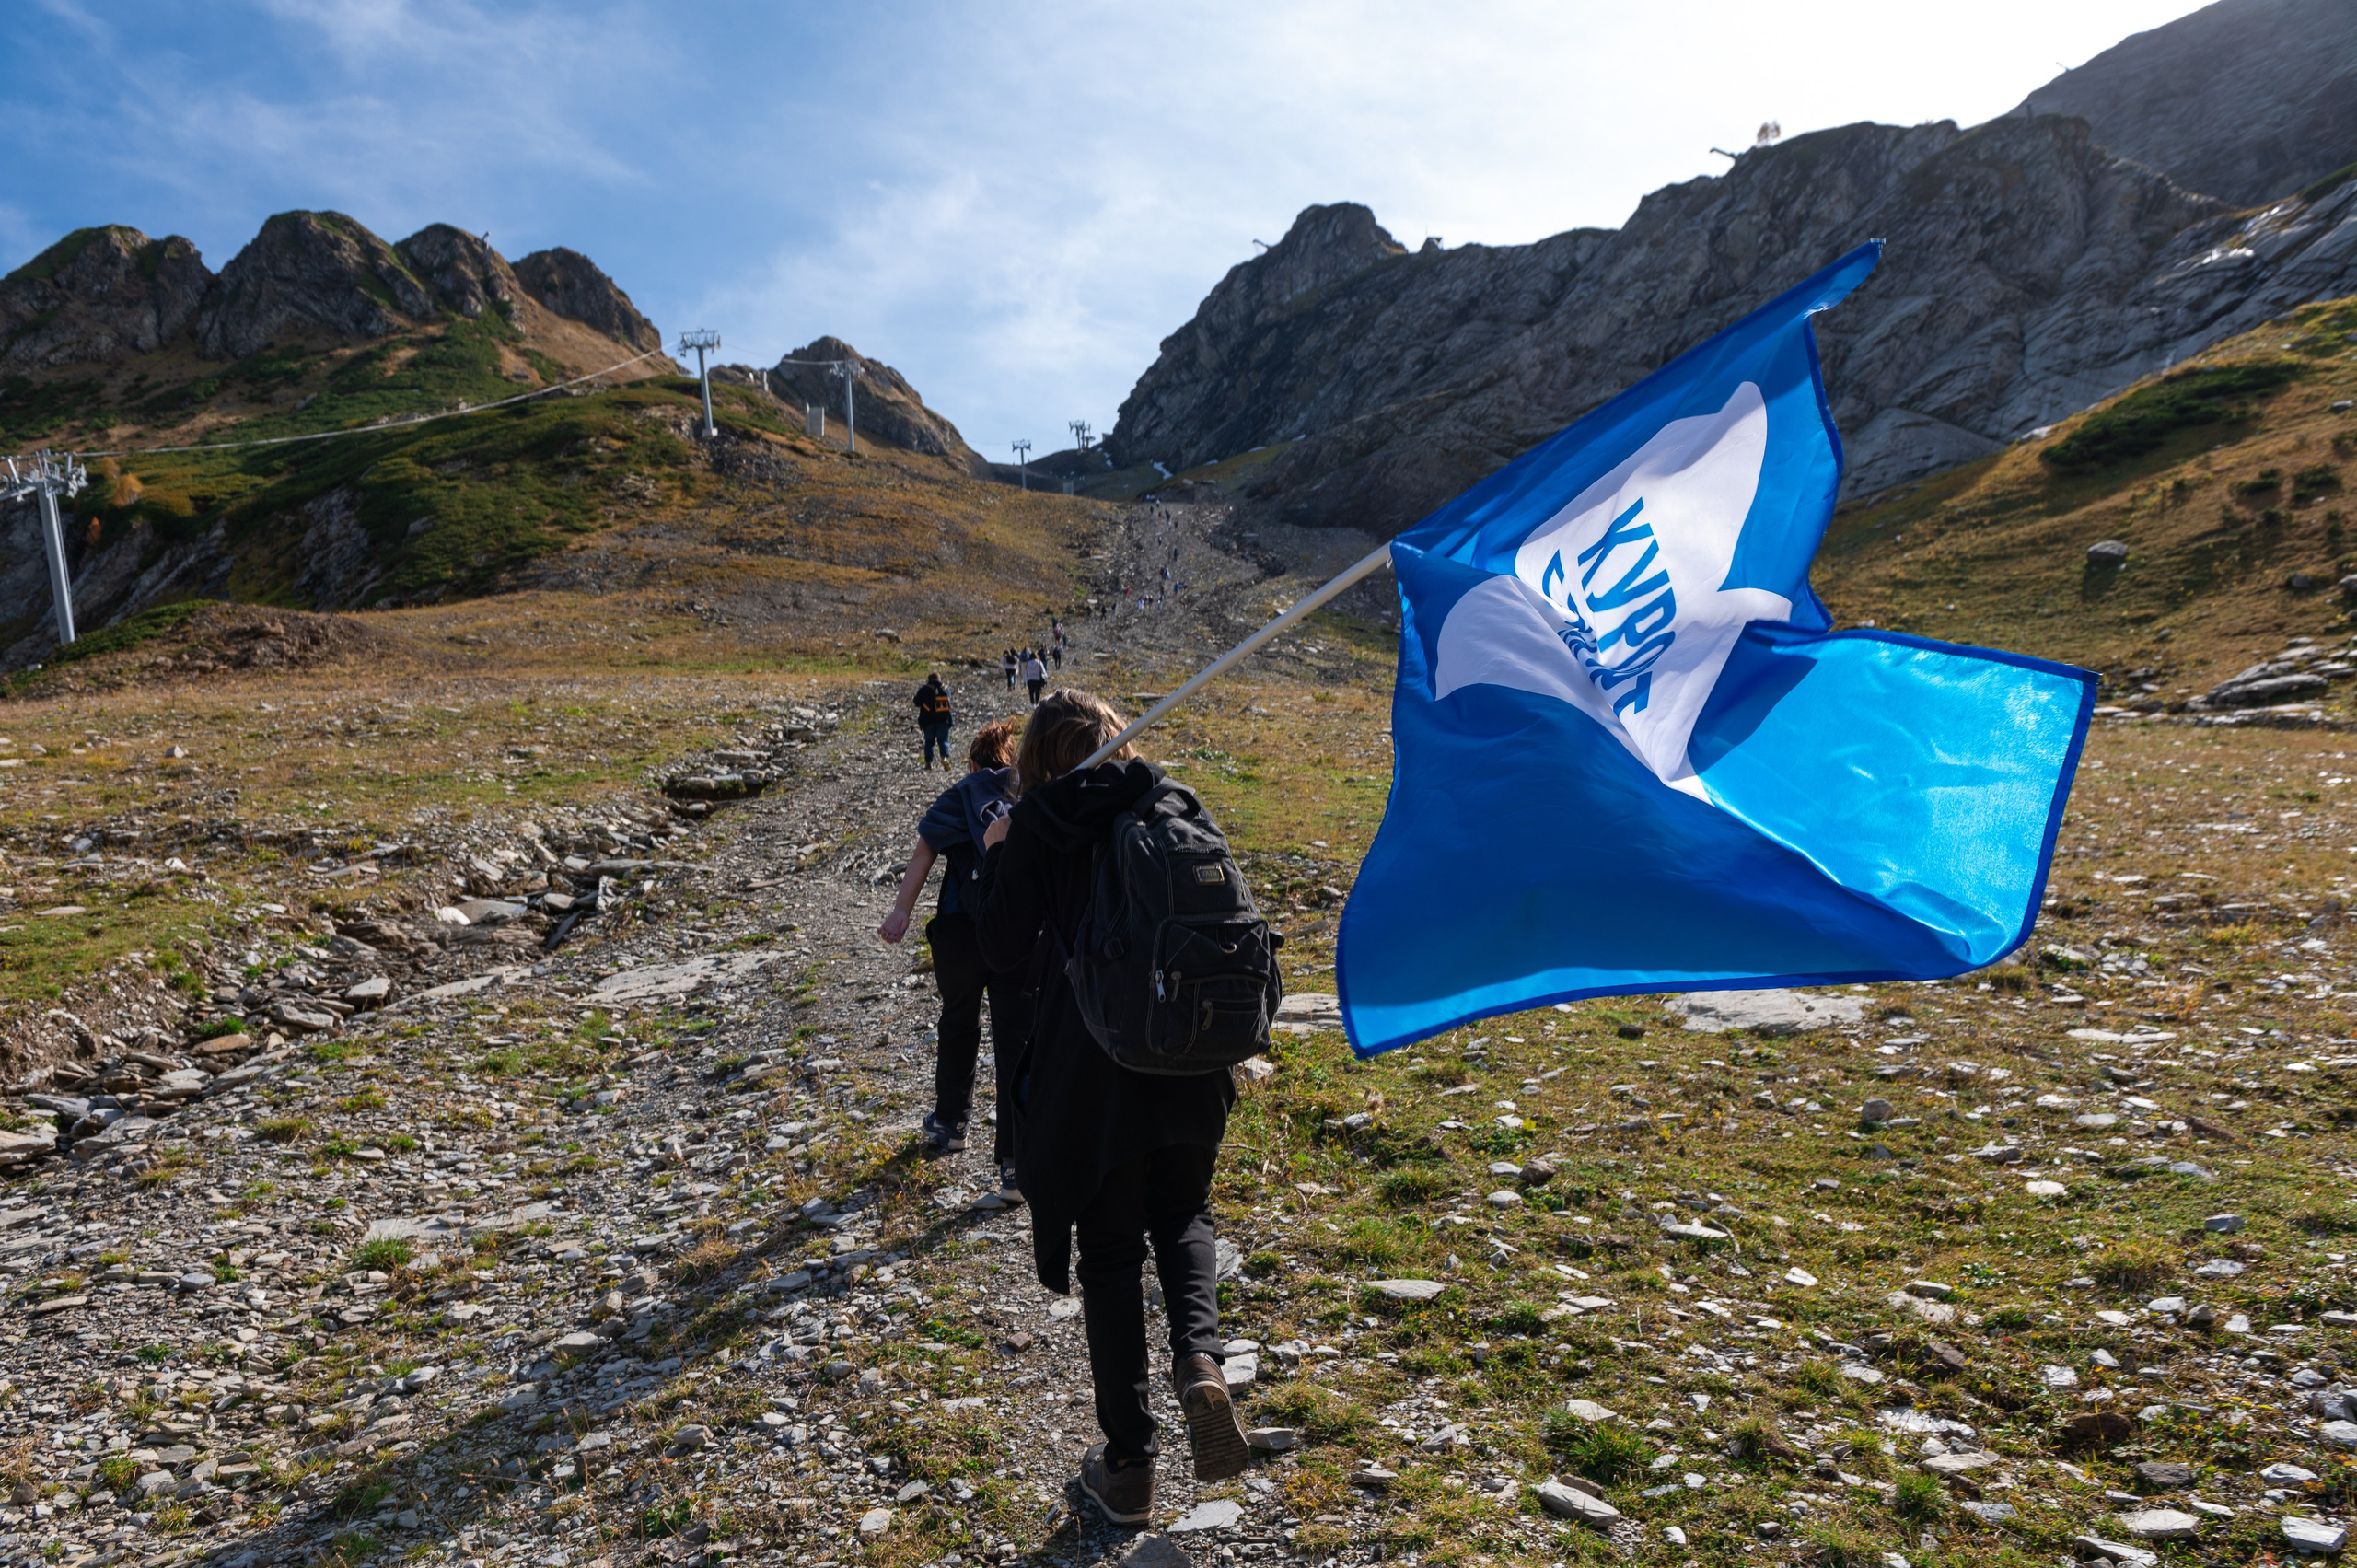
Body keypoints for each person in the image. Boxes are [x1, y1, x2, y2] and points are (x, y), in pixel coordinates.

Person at [973, 691, 1249, 1523]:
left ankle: (1129, 1465)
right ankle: (1200, 1362)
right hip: (1192, 1056)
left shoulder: (1036, 826)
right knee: (1185, 1213)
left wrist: (998, 852)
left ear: (1033, 760)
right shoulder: (1171, 803)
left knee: (1109, 1255)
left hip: (1093, 1069)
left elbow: (1002, 951)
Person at [878, 716, 1028, 1182]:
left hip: (960, 931)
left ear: (971, 762)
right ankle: (1014, 1161)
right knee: (1016, 1038)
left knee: (959, 1020)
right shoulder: (1024, 793)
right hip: (1014, 928)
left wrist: (901, 912)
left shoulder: (958, 795)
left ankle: (950, 1123)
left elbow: (924, 852)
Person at [911, 671, 954, 771]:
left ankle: (929, 763)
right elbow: (949, 701)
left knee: (929, 742)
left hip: (928, 721)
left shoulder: (924, 689)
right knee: (943, 741)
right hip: (944, 720)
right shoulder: (946, 689)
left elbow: (916, 702)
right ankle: (944, 758)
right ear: (940, 679)